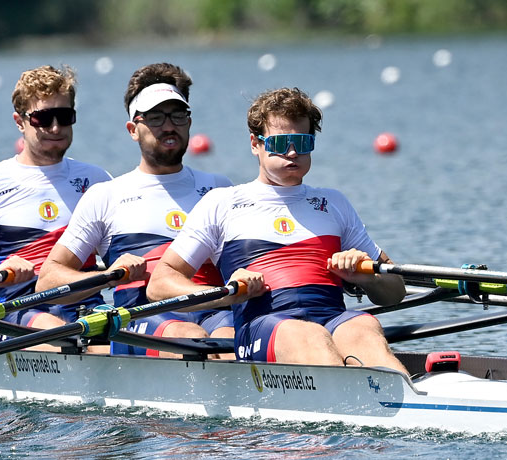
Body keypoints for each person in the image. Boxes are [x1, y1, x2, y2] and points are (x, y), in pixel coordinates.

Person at [148, 87, 411, 369]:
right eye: (281, 142)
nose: (293, 152)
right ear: (255, 144)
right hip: (263, 327)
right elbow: (159, 284)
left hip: (332, 317)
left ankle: (402, 392)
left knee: (363, 328)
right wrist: (226, 292)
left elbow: (395, 291)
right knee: (307, 335)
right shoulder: (222, 203)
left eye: (302, 142)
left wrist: (367, 278)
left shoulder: (334, 203)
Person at [36, 63, 234, 357]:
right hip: (141, 315)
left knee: (231, 341)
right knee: (190, 338)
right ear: (132, 130)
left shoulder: (219, 189)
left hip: (213, 311)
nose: (169, 126)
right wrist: (110, 276)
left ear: (189, 122)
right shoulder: (106, 196)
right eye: (155, 118)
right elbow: (47, 281)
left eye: (177, 115)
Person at [0, 65, 113, 331]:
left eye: (64, 116)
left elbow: (121, 256)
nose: (56, 127)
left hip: (88, 310)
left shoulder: (97, 180)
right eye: (43, 118)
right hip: (19, 313)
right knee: (55, 328)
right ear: (19, 121)